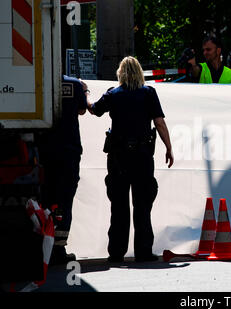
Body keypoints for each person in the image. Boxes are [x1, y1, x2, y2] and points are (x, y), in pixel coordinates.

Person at [88, 56, 174, 262]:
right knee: (143, 204)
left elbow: (94, 110)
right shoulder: (149, 93)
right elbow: (159, 123)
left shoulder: (113, 94)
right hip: (143, 156)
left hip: (118, 158)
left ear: (121, 73)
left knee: (118, 204)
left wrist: (85, 97)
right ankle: (143, 251)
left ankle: (116, 252)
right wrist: (169, 147)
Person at [38, 75, 89, 265]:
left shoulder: (39, 81)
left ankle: (43, 246)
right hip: (69, 151)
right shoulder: (74, 84)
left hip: (44, 150)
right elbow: (82, 110)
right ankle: (59, 248)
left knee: (46, 198)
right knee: (65, 200)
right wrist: (83, 91)